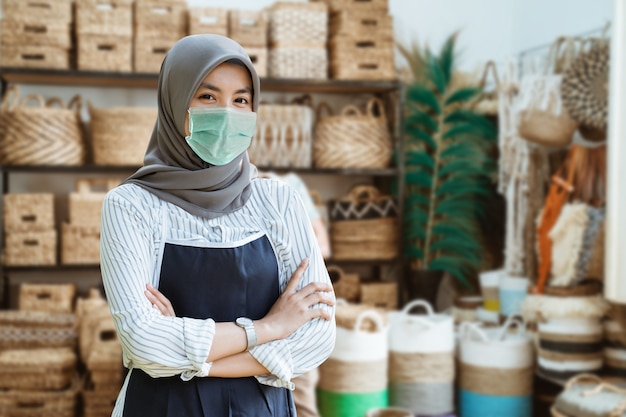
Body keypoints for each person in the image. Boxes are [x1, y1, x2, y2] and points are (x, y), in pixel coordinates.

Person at [99, 34, 336, 417]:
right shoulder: (131, 206)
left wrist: (197, 360)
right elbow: (143, 342)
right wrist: (269, 328)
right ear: (175, 102)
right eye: (208, 97)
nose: (227, 112)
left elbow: (317, 338)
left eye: (241, 99)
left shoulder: (278, 201)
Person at [260, 171, 331, 417]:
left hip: (296, 315)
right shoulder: (227, 188)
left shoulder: (289, 184)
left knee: (302, 401)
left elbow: (323, 246)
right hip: (254, 319)